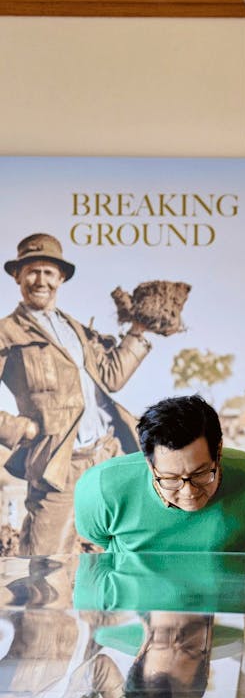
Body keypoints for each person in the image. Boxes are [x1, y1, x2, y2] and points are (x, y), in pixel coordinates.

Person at [0, 233, 152, 555]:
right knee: (46, 566)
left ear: (61, 277)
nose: (41, 280)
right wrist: (18, 428)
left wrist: (138, 331)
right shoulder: (6, 332)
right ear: (17, 276)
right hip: (59, 467)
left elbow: (111, 377)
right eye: (32, 271)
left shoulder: (77, 330)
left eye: (49, 272)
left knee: (112, 560)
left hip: (107, 457)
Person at [74, 394, 245, 553]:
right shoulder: (101, 489)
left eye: (200, 474)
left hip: (225, 614)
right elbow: (96, 539)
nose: (188, 492)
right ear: (149, 465)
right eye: (170, 478)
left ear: (218, 452)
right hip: (136, 613)